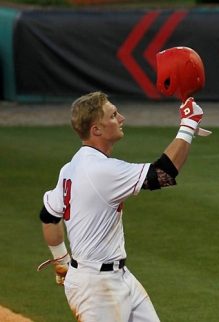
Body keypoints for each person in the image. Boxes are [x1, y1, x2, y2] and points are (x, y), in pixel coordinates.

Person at [38, 92, 205, 321]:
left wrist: (61, 263)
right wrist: (188, 124)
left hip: (118, 277)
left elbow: (48, 215)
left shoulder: (71, 167)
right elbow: (163, 174)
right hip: (96, 290)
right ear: (97, 129)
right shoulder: (100, 170)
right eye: (114, 115)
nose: (122, 118)